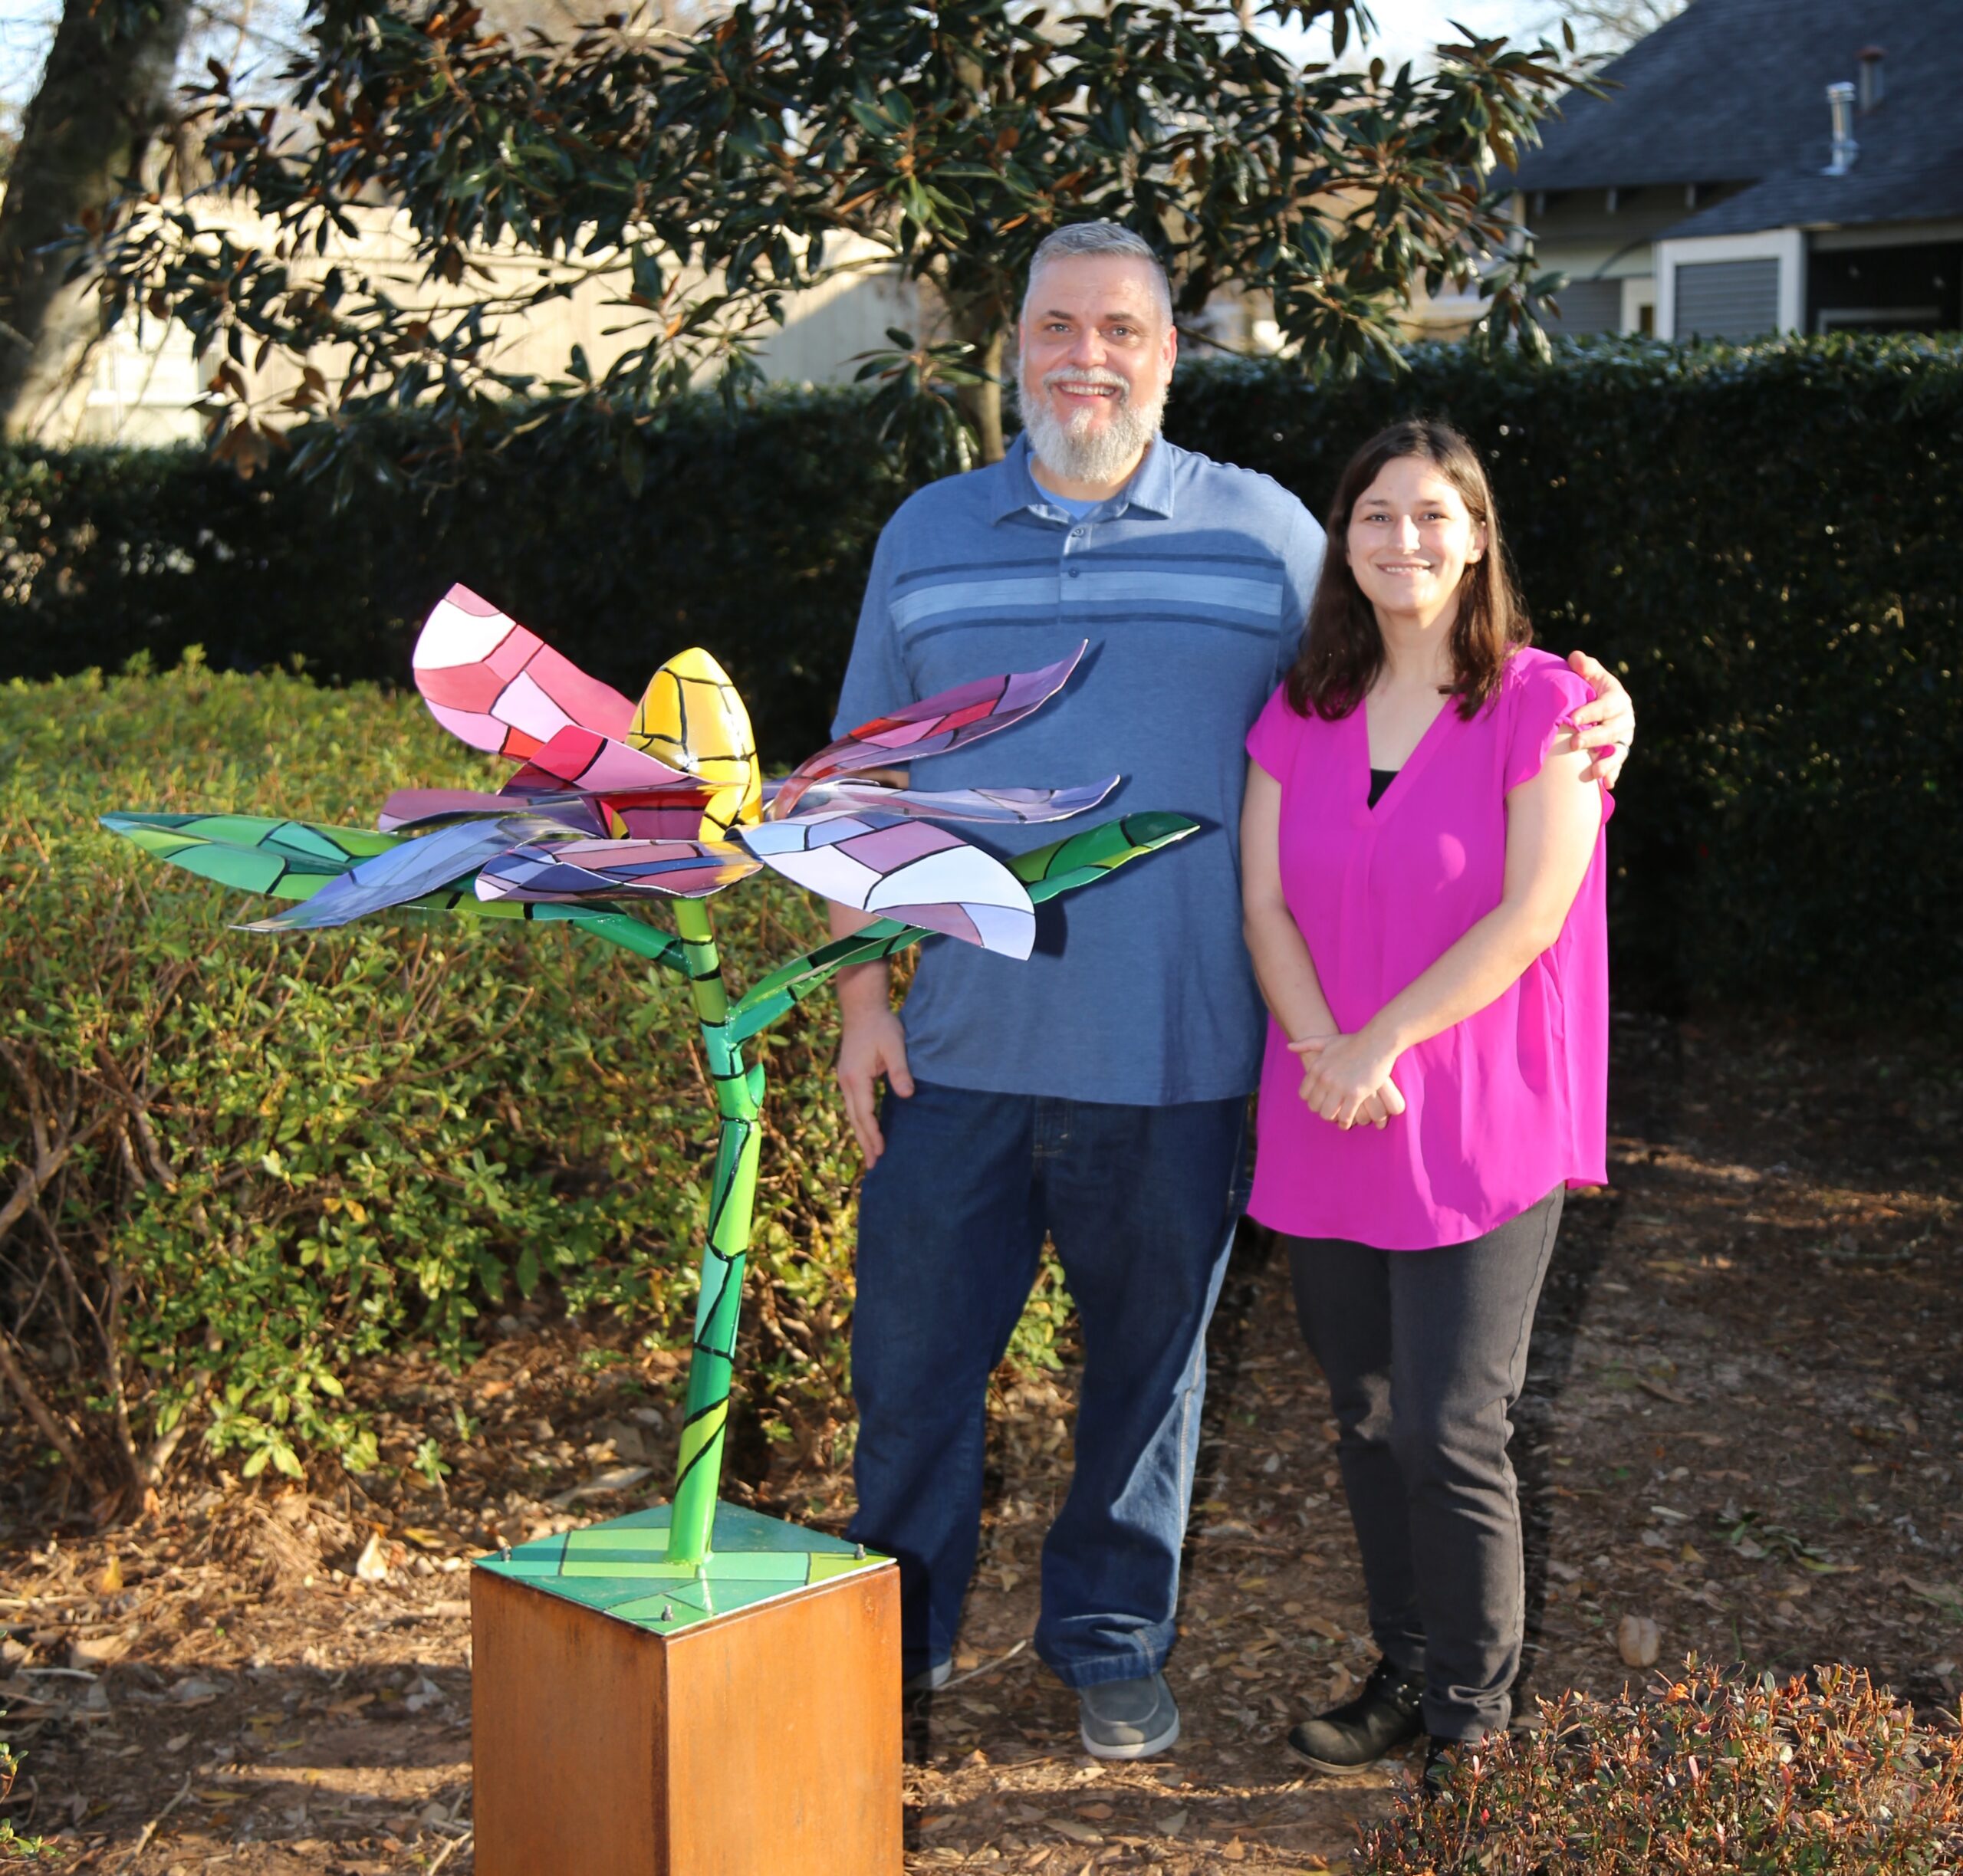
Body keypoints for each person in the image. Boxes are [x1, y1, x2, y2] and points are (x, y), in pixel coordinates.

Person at [827, 223, 1634, 1761]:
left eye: (1120, 328)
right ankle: (895, 1648)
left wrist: (1596, 706)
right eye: (1055, 323)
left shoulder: (1262, 534)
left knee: (1145, 1386)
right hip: (959, 1049)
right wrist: (865, 1005)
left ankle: (1110, 1645)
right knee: (914, 1375)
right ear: (1011, 347)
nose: (1085, 354)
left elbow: (1419, 649)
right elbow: (859, 787)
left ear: (1168, 356)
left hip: (1180, 1058)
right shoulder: (924, 538)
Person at [1239, 418, 1613, 1782]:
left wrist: (1377, 1040)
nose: (1404, 539)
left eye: (1432, 516)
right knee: (1367, 1415)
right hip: (1330, 1105)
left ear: (1477, 539)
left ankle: (1475, 1726)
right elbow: (1265, 903)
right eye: (1378, 515)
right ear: (1346, 540)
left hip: (1476, 1116)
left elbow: (1530, 915)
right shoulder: (1303, 706)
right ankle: (1404, 1667)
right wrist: (1322, 1048)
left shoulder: (1550, 706)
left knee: (1458, 1426)